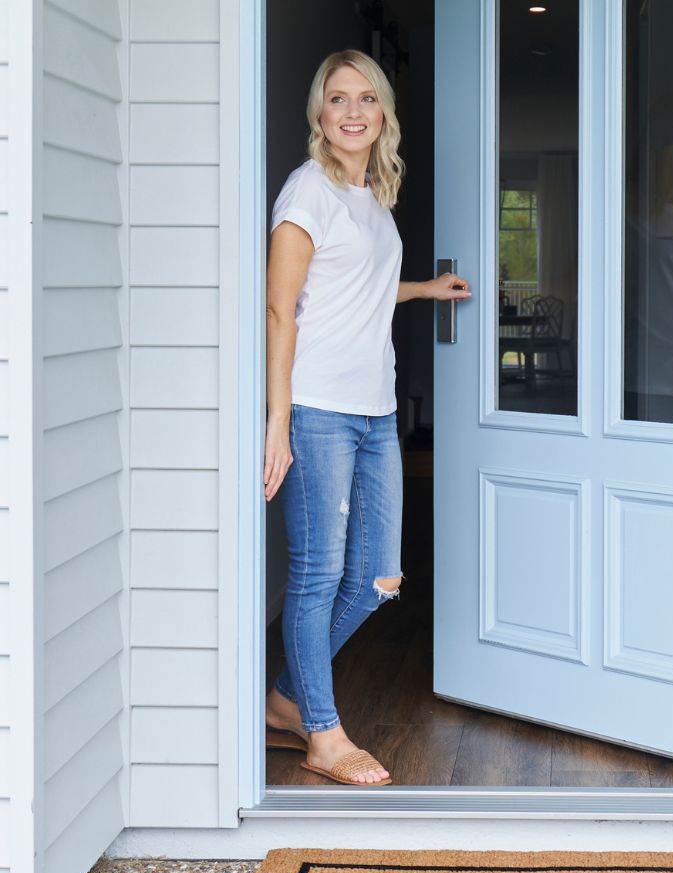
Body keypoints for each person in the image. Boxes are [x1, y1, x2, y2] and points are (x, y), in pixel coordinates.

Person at [262, 49, 471, 786]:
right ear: (319, 113)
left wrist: (426, 288)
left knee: (379, 579)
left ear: (384, 112)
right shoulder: (307, 192)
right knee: (318, 574)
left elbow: (361, 287)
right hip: (318, 409)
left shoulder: (370, 196)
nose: (353, 112)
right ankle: (321, 733)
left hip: (375, 412)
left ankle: (286, 699)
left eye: (367, 99)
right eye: (338, 98)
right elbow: (279, 310)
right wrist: (278, 422)